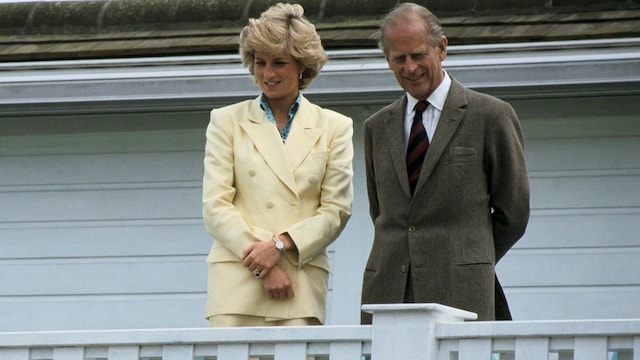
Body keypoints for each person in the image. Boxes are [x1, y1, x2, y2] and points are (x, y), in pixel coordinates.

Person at [360, 2, 530, 324]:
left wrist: (468, 256)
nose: (409, 68)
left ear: (441, 48)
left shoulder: (490, 116)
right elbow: (381, 212)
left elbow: (514, 213)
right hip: (387, 293)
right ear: (387, 60)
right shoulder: (376, 127)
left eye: (418, 54)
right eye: (399, 58)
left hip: (462, 293)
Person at [202, 2, 354, 327]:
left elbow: (335, 211)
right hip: (236, 283)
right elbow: (215, 206)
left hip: (299, 281)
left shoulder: (335, 127)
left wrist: (280, 246)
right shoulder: (225, 122)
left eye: (280, 63)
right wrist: (263, 263)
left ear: (303, 65)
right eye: (260, 63)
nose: (268, 74)